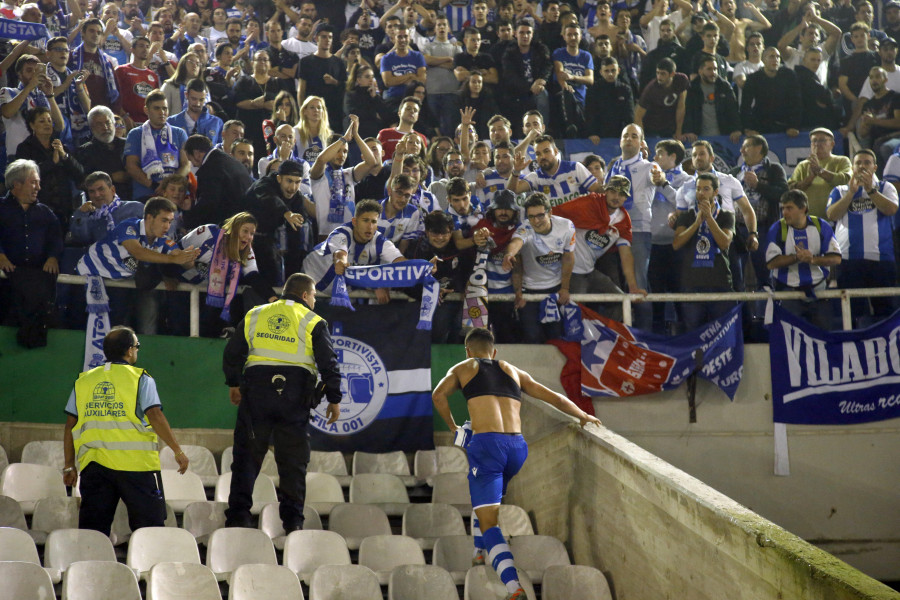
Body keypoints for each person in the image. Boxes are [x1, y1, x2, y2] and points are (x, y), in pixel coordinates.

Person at [432, 327, 600, 600]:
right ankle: (478, 554)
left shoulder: (463, 367)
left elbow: (438, 396)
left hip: (487, 446)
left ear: (468, 351)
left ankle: (514, 587)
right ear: (494, 352)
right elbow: (554, 397)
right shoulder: (513, 370)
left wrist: (453, 428)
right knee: (487, 499)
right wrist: (582, 414)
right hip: (517, 449)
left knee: (490, 522)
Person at [62, 326, 190, 536]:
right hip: (136, 466)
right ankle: (149, 568)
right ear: (130, 350)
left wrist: (69, 465)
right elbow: (155, 415)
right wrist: (177, 451)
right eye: (137, 347)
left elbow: (70, 425)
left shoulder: (83, 381)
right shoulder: (140, 378)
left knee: (93, 533)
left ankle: (92, 568)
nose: (137, 351)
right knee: (150, 531)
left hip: (94, 467)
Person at [551, 176, 647, 321]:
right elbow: (552, 215)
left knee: (622, 302)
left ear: (626, 198)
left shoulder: (623, 220)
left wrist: (633, 287)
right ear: (606, 191)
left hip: (590, 271)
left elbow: (626, 255)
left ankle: (606, 338)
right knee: (573, 313)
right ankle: (572, 342)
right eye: (614, 191)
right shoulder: (587, 203)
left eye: (622, 194)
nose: (617, 197)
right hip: (571, 273)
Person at [826, 149, 900, 324]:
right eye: (858, 163)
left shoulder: (885, 187)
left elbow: (891, 210)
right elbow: (831, 215)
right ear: (852, 167)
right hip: (848, 259)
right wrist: (851, 193)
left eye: (867, 162)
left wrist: (870, 191)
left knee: (885, 311)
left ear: (875, 167)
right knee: (853, 312)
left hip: (881, 259)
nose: (862, 166)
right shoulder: (840, 190)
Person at [0, 160, 62, 343]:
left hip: (36, 283)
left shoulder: (46, 213)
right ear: (16, 184)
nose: (38, 187)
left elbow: (56, 239)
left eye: (38, 182)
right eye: (33, 182)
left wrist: (53, 257)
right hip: (5, 284)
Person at [502, 192, 576, 343]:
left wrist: (565, 288)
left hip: (555, 289)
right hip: (530, 290)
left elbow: (568, 258)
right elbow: (516, 242)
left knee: (556, 336)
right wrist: (509, 255)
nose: (536, 221)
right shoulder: (524, 229)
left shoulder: (566, 227)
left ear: (550, 212)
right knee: (532, 336)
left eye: (540, 215)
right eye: (531, 216)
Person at [302, 199, 406, 301]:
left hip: (341, 292)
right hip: (310, 281)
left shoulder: (381, 242)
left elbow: (403, 263)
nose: (369, 226)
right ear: (355, 222)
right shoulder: (341, 234)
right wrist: (340, 262)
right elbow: (340, 254)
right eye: (365, 220)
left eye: (374, 222)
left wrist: (378, 285)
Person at [766, 189, 841, 330]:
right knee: (790, 339)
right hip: (788, 294)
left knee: (824, 337)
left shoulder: (821, 226)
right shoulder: (777, 229)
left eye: (789, 208)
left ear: (803, 209)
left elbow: (836, 258)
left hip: (819, 292)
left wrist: (813, 260)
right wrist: (796, 257)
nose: (784, 212)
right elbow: (771, 263)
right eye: (783, 208)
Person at [673, 173, 736, 330]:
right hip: (691, 283)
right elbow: (676, 244)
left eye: (706, 189)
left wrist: (709, 219)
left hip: (719, 282)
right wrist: (696, 224)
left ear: (716, 192)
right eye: (698, 189)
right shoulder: (686, 217)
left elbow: (724, 243)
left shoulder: (727, 216)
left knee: (721, 333)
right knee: (693, 335)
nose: (701, 193)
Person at [240, 159, 310, 287]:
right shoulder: (264, 184)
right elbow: (269, 198)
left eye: (297, 182)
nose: (293, 188)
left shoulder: (297, 198)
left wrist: (293, 278)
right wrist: (286, 213)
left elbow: (297, 234)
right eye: (289, 181)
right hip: (240, 241)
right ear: (279, 179)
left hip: (267, 240)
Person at [309, 116, 379, 239]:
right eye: (338, 151)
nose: (342, 155)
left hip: (349, 234)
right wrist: (344, 138)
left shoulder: (349, 174)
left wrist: (356, 135)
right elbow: (321, 159)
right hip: (324, 234)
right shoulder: (318, 173)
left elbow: (371, 162)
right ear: (329, 150)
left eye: (345, 151)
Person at [124, 90, 190, 201]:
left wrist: (168, 185)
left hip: (175, 194)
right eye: (156, 108)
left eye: (165, 108)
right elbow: (131, 167)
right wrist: (153, 185)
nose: (162, 112)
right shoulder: (136, 134)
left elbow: (186, 164)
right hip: (146, 193)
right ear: (146, 110)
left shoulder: (179, 133)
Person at [505, 134, 601, 206]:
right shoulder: (536, 177)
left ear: (555, 151)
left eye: (546, 151)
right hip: (554, 228)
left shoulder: (575, 168)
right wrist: (516, 171)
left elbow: (598, 191)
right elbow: (512, 191)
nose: (542, 156)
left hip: (580, 224)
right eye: (538, 154)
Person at [182, 134, 254, 229]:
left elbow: (208, 204)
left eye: (190, 160)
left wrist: (188, 221)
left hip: (228, 226)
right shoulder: (230, 161)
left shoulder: (210, 168)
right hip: (244, 220)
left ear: (196, 154)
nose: (194, 165)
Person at [788, 128, 851, 219]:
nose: (817, 144)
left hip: (836, 220)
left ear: (832, 144)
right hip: (807, 221)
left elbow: (846, 180)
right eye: (814, 141)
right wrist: (809, 179)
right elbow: (790, 190)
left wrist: (820, 171)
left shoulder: (841, 161)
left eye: (822, 140)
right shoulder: (803, 165)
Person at [501, 18, 551, 132]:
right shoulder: (509, 53)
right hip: (517, 91)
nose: (525, 35)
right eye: (522, 32)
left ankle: (543, 131)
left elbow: (548, 66)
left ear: (532, 34)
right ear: (515, 34)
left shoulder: (540, 49)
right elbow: (510, 77)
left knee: (543, 94)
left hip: (537, 89)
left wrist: (542, 80)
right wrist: (529, 87)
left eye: (528, 32)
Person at [69, 171, 144, 245]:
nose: (97, 195)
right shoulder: (90, 219)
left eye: (101, 189)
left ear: (112, 190)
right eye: (92, 191)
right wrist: (81, 214)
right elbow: (80, 239)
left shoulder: (135, 208)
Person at [740, 46, 801, 136]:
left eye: (778, 57)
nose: (775, 60)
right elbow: (745, 105)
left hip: (784, 125)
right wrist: (748, 129)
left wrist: (794, 126)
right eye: (772, 57)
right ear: (764, 60)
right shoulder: (753, 79)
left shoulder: (789, 76)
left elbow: (796, 103)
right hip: (760, 125)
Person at [297, 23, 346, 133]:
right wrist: (302, 113)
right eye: (324, 37)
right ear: (316, 38)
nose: (327, 40)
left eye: (330, 37)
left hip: (334, 113)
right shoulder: (306, 62)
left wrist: (334, 82)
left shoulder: (339, 63)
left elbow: (345, 87)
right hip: (312, 114)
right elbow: (301, 90)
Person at [76, 106, 132, 200]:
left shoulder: (127, 145)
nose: (105, 128)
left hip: (131, 199)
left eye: (107, 123)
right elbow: (81, 183)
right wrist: (111, 178)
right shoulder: (84, 151)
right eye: (99, 124)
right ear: (92, 128)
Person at [683, 55, 741, 144]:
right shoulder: (692, 88)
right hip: (699, 138)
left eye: (715, 69)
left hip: (724, 137)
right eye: (709, 69)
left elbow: (733, 110)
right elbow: (688, 111)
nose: (713, 72)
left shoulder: (725, 87)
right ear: (700, 71)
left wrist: (736, 129)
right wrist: (688, 131)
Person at [635, 57, 688, 139]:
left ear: (672, 74)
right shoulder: (651, 89)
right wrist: (642, 139)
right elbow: (638, 116)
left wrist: (678, 131)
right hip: (652, 128)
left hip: (670, 127)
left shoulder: (681, 80)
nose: (659, 77)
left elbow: (681, 107)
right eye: (657, 73)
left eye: (663, 74)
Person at [586, 57, 634, 140]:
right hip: (599, 135)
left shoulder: (625, 90)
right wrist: (592, 133)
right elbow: (590, 113)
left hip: (620, 135)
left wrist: (627, 135)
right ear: (601, 72)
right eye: (606, 71)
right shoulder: (594, 90)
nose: (610, 74)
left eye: (613, 70)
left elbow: (629, 115)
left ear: (618, 70)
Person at [167, 78, 223, 144]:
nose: (197, 104)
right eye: (194, 99)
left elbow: (220, 150)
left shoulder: (216, 122)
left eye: (201, 100)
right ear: (186, 95)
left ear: (206, 96)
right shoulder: (172, 122)